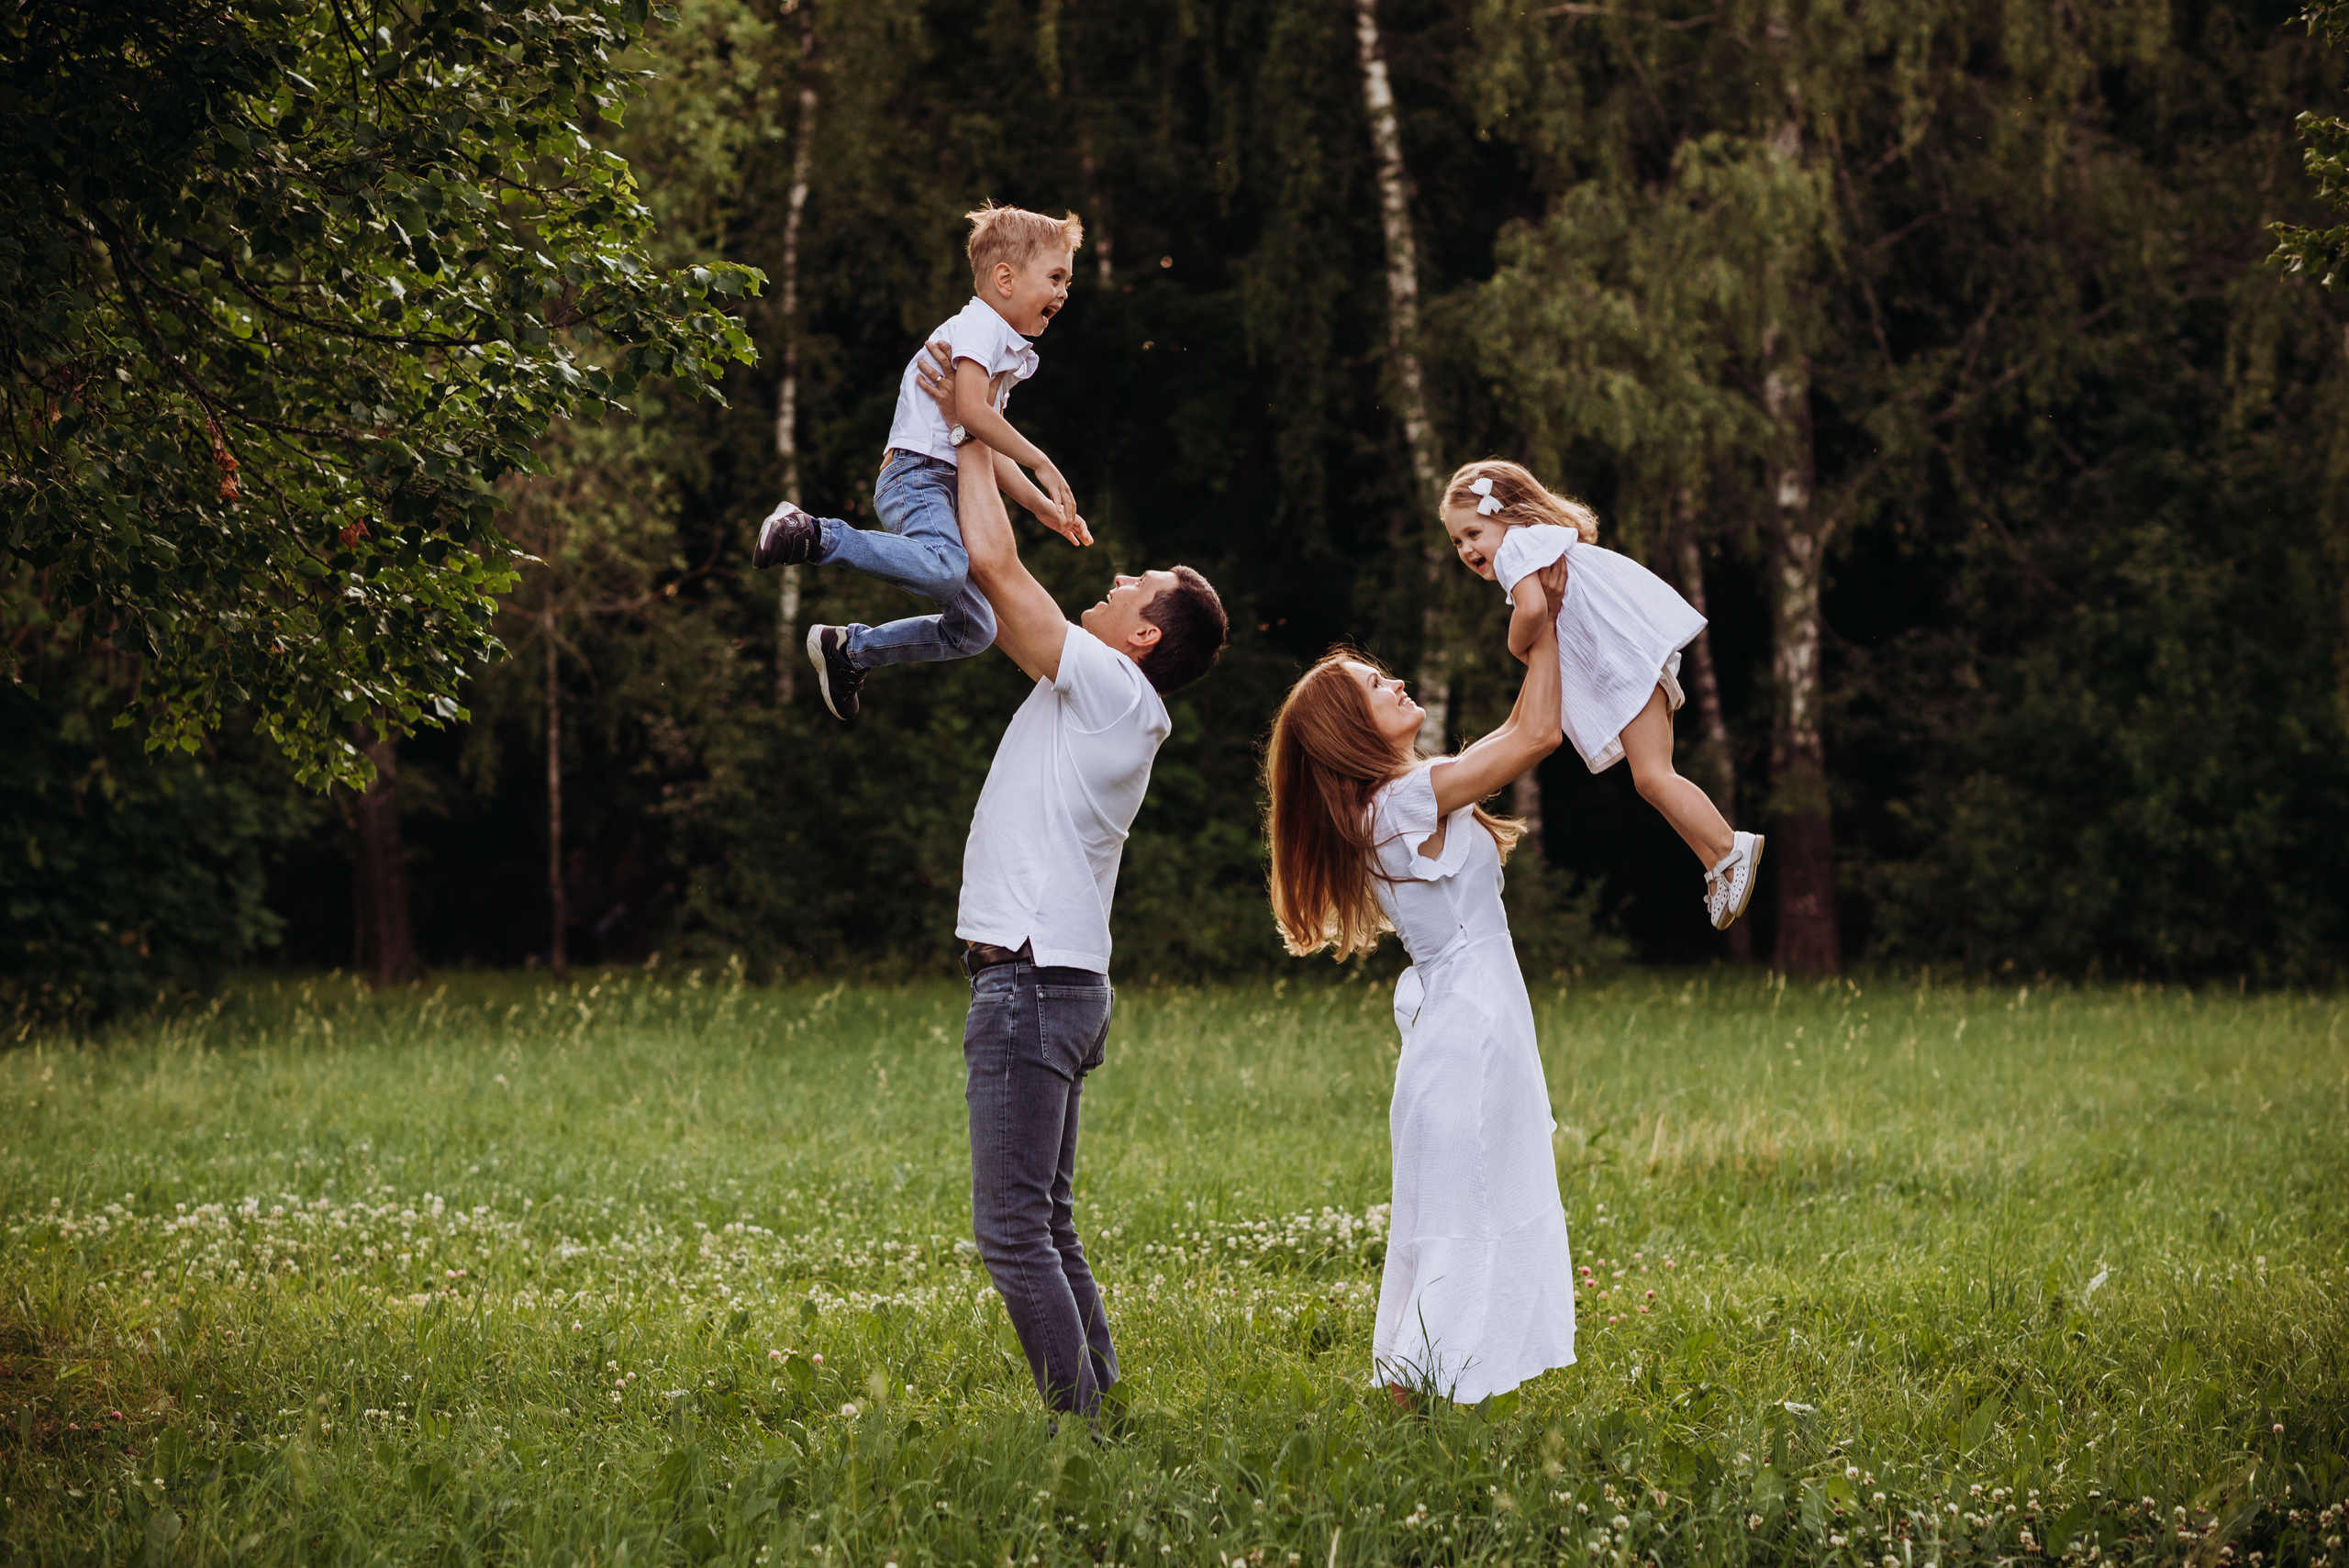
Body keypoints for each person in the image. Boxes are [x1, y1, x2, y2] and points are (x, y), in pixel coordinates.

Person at [921, 353, 1228, 1422]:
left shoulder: (1110, 689)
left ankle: (1079, 1432)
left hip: (1033, 981)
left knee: (1012, 1229)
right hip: (1056, 979)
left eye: (1128, 590)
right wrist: (990, 445)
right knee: (1045, 1221)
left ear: (1143, 636)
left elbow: (1000, 569)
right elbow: (988, 582)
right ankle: (1098, 1415)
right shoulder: (1094, 691)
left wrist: (968, 427)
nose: (1111, 584)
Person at [1262, 590, 1575, 1407]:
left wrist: (1545, 627)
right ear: (1350, 728)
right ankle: (1410, 1421)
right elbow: (1536, 734)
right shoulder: (1402, 802)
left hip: (1469, 1026)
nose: (1395, 684)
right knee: (1457, 1233)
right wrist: (1547, 627)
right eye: (1375, 686)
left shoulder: (1400, 800)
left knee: (1460, 1224)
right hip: (1466, 1036)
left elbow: (1519, 733)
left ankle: (1422, 1414)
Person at [751, 203, 1094, 723]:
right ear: (1005, 278)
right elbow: (974, 415)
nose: (1064, 292)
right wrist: (1043, 463)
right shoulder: (978, 327)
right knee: (945, 570)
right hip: (918, 477)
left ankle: (849, 652)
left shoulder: (1003, 346)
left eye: (1066, 280)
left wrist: (1039, 505)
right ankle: (813, 533)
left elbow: (984, 441)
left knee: (975, 630)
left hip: (947, 482)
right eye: (1055, 277)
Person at [1439, 459, 1765, 930]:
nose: (1467, 548)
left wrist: (1515, 644)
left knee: (1653, 777)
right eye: (1457, 541)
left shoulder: (1517, 551)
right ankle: (1716, 863)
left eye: (1473, 533)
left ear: (1508, 516)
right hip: (1629, 659)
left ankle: (1730, 846)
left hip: (1623, 667)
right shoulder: (1534, 547)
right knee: (1653, 777)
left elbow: (1533, 610)